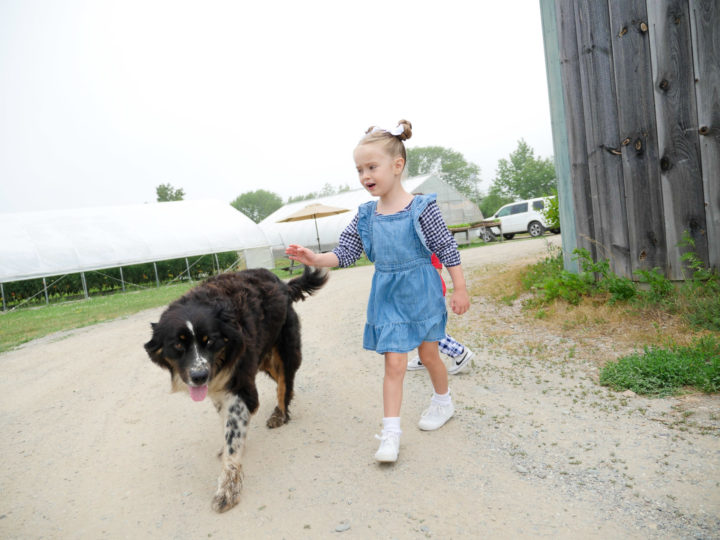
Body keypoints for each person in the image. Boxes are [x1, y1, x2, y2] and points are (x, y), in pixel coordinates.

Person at [286, 119, 470, 463]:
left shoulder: (422, 208)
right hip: (387, 296)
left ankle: (443, 402)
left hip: (422, 291)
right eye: (359, 170)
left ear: (397, 166)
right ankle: (390, 434)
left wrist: (459, 288)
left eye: (372, 167)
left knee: (429, 356)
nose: (365, 176)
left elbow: (447, 248)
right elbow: (346, 252)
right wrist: (315, 257)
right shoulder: (366, 215)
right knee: (394, 365)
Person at [407, 253, 474, 374]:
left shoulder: (427, 242)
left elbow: (436, 269)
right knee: (418, 327)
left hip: (428, 294)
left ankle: (459, 352)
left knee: (428, 330)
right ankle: (425, 357)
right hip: (417, 294)